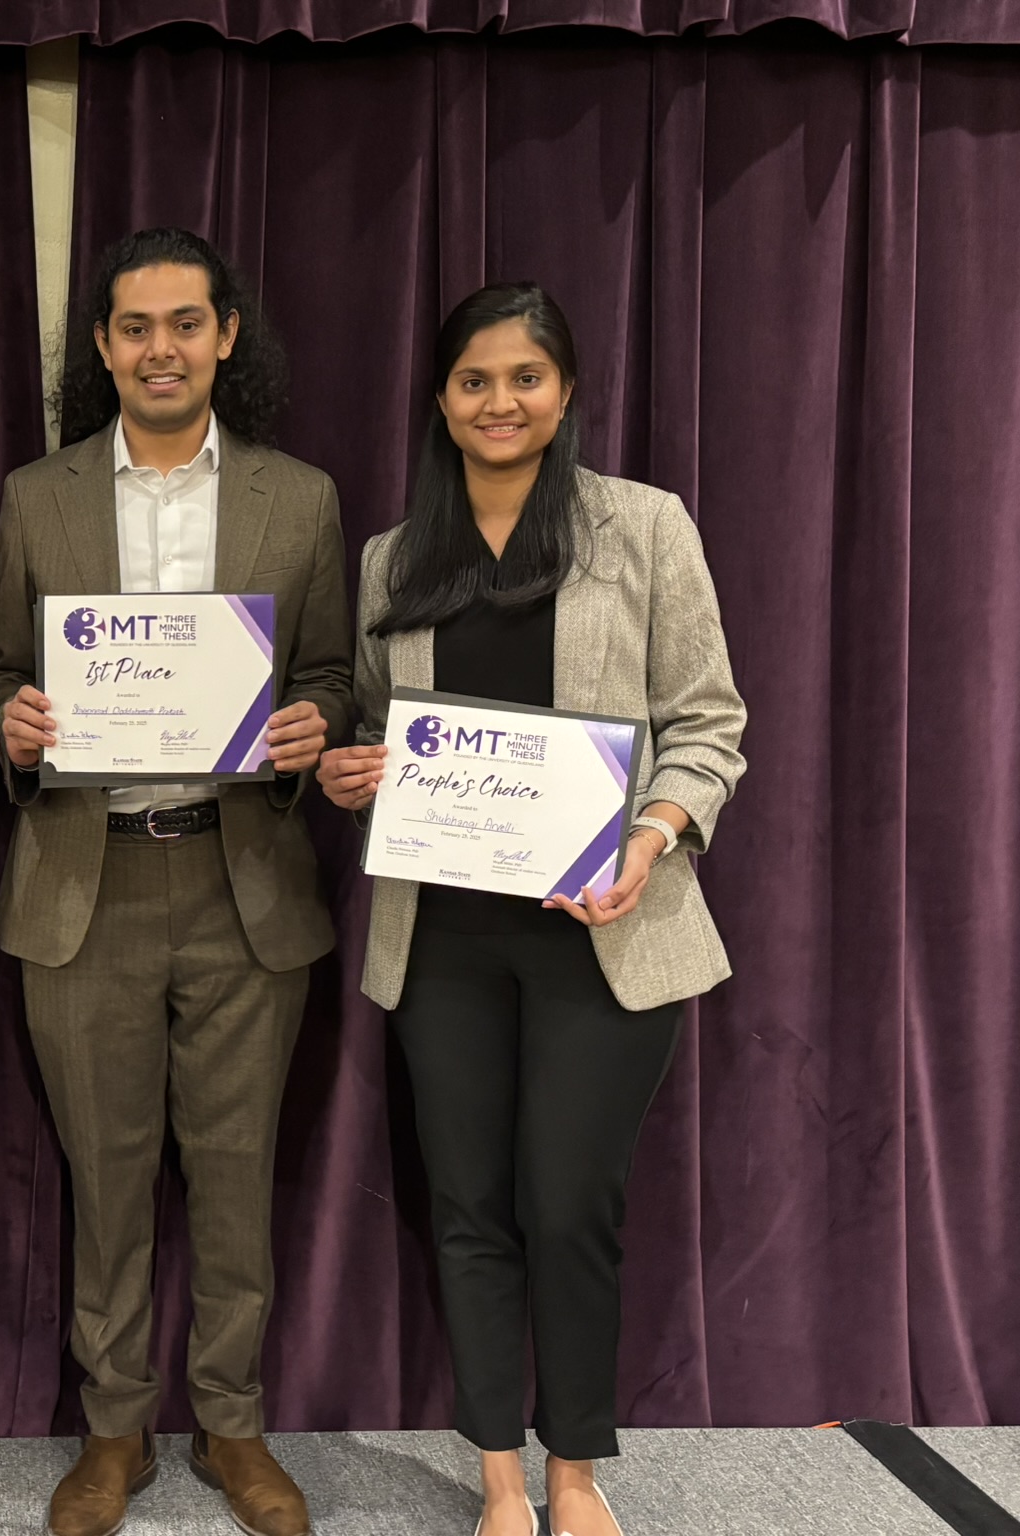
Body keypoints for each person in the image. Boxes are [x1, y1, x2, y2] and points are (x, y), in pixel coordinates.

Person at [317, 283, 746, 1536]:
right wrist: (352, 773)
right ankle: (500, 1474)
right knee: (467, 1209)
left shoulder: (642, 527)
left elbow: (707, 725)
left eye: (524, 378)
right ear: (439, 397)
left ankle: (574, 1469)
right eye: (473, 380)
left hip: (603, 932)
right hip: (440, 943)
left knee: (567, 1207)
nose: (497, 402)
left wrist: (650, 838)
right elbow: (380, 736)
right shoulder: (392, 557)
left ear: (563, 393)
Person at [0, 228, 351, 1536]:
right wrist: (10, 721)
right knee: (107, 1178)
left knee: (236, 1179)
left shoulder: (299, 499)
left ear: (225, 336)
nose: (159, 349)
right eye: (133, 327)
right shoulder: (38, 496)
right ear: (102, 345)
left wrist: (312, 723)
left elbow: (328, 673)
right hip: (84, 886)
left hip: (244, 879)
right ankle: (114, 1430)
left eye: (184, 323)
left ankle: (232, 1426)